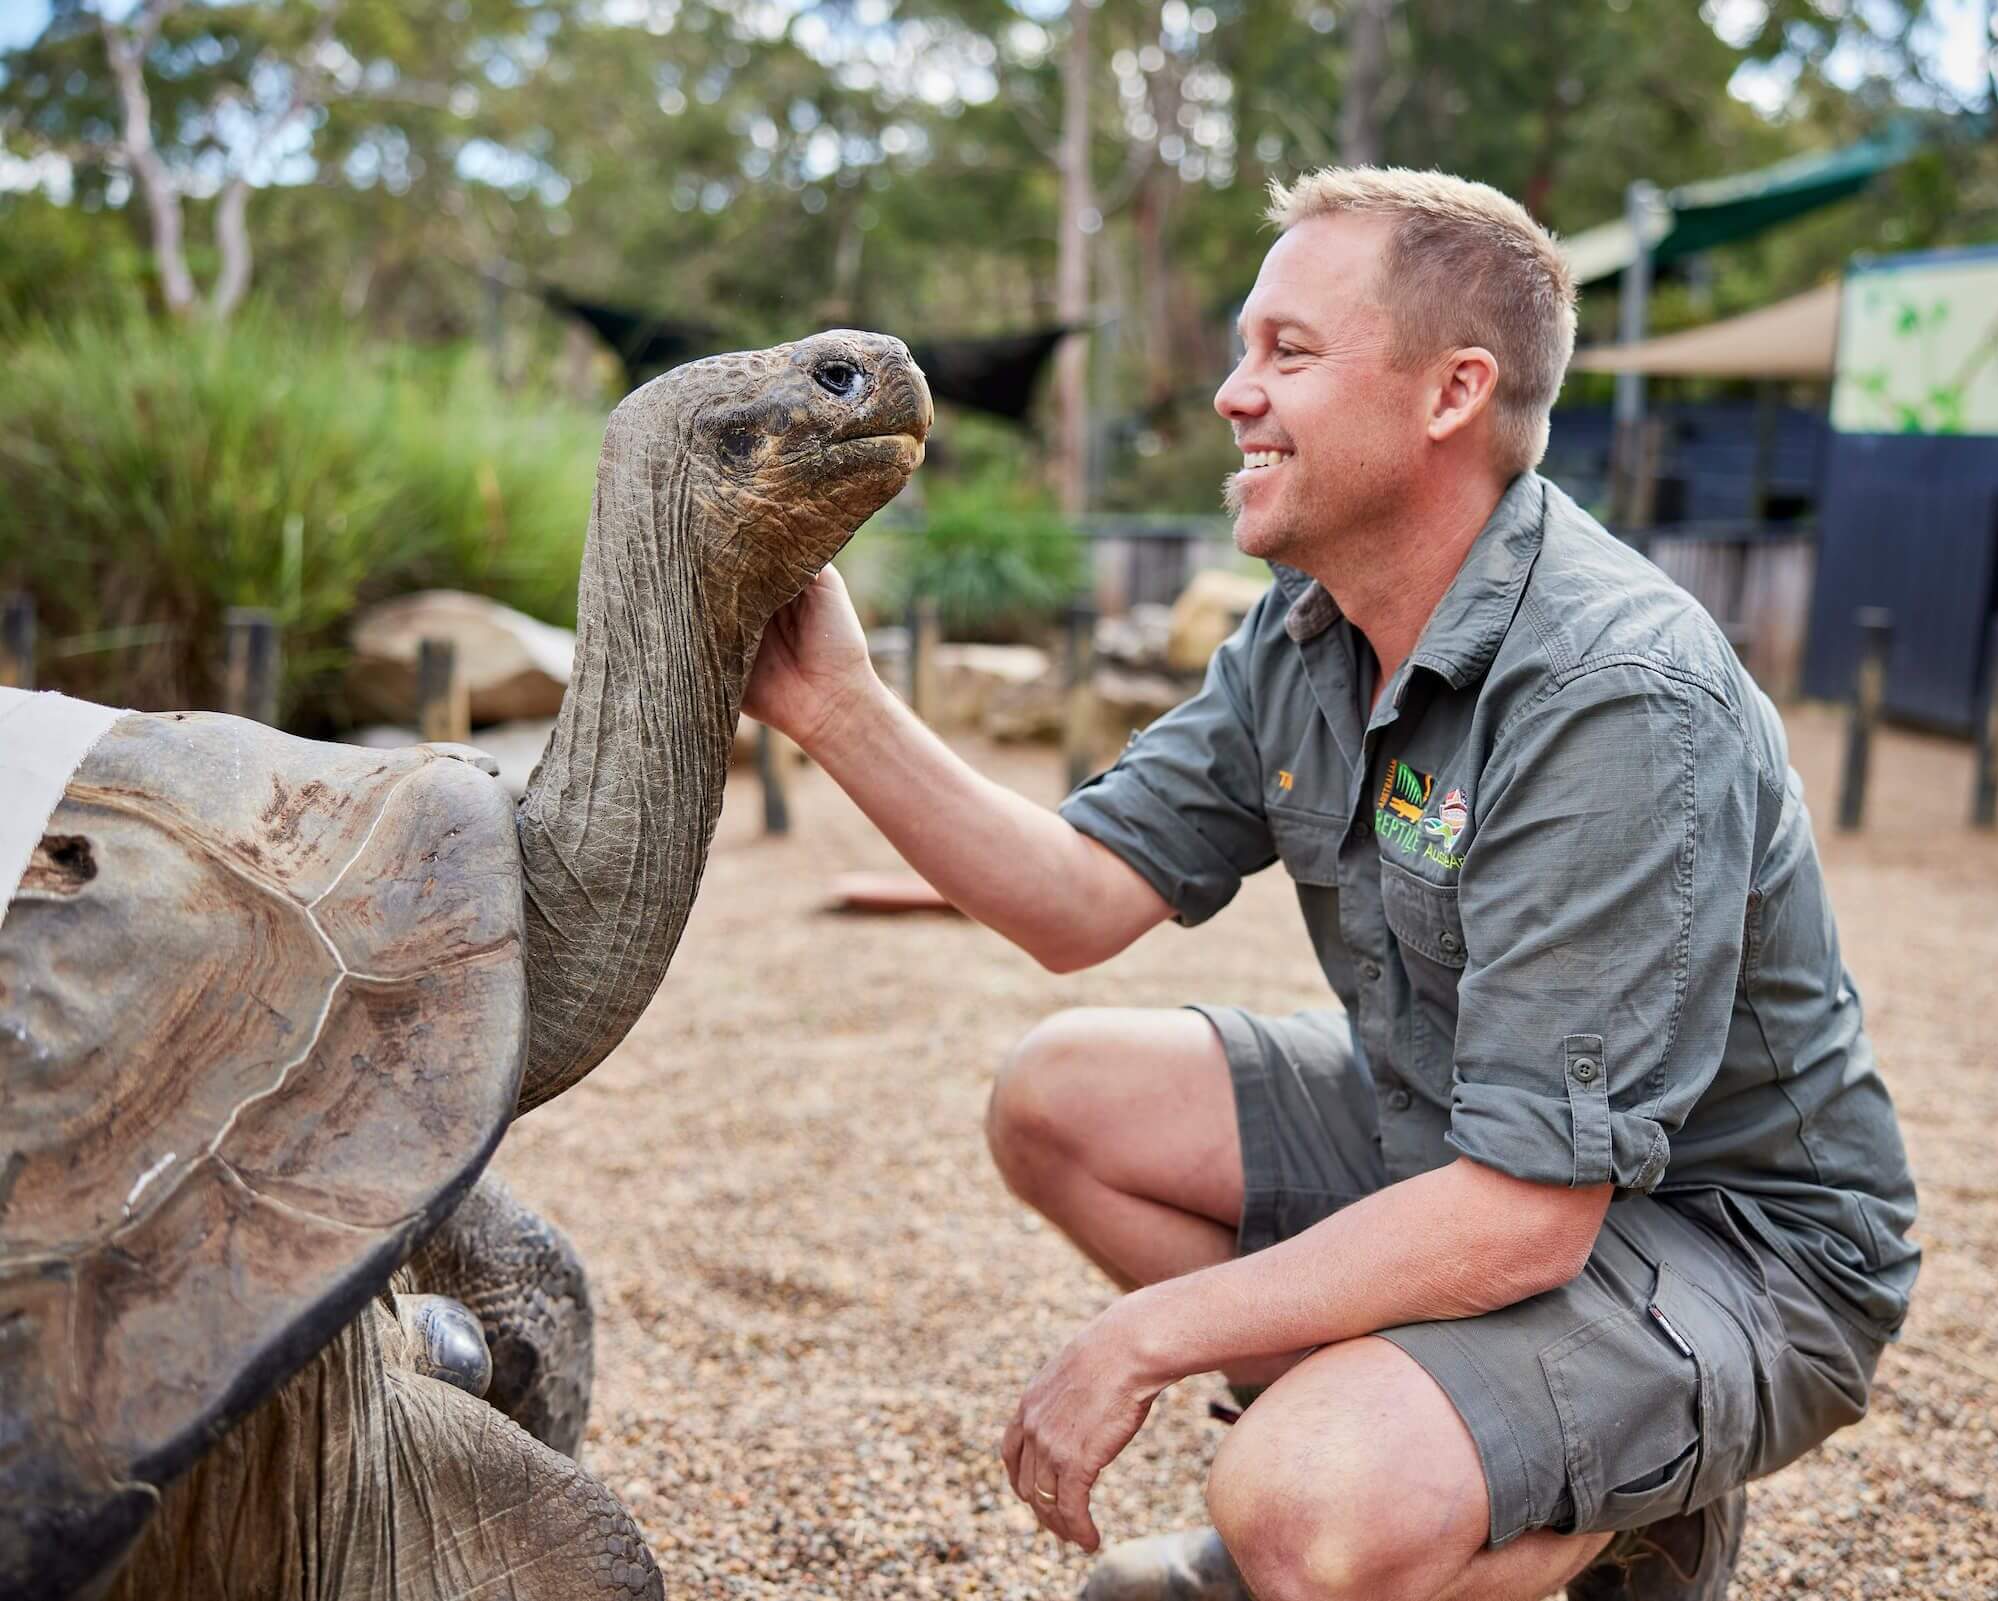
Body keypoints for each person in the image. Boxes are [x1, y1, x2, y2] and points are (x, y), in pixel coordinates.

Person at [742, 167, 1919, 1601]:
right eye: (1246, 352)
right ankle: (1466, 1464)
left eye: (1287, 353)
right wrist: (839, 708)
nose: (1234, 396)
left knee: (1298, 1505)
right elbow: (1070, 899)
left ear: (1451, 394)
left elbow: (1528, 1213)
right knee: (1061, 1102)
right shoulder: (1306, 632)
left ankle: (1574, 1504)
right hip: (1465, 1135)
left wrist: (1150, 1332)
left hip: (1724, 1237)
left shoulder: (1617, 691)